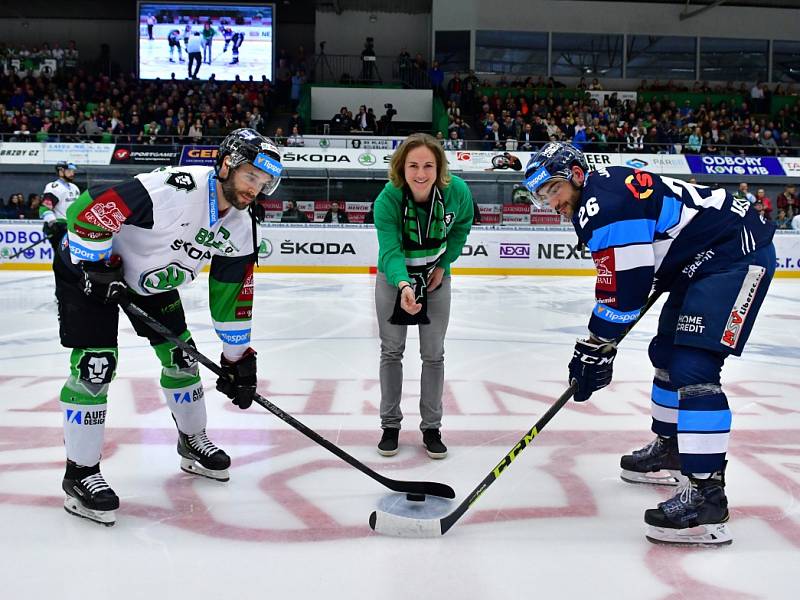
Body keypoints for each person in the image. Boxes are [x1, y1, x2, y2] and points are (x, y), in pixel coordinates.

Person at [523, 142, 776, 546]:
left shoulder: (602, 202)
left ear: (574, 174)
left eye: (552, 189)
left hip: (735, 255)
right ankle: (673, 448)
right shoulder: (596, 193)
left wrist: (596, 345)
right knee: (665, 353)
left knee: (695, 366)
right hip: (702, 259)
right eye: (540, 196)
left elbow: (625, 292)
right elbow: (634, 272)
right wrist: (600, 343)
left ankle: (707, 495)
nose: (550, 202)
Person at [54, 128, 283, 526]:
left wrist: (237, 360)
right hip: (91, 270)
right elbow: (86, 211)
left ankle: (191, 442)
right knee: (96, 367)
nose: (255, 191)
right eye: (251, 177)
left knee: (183, 359)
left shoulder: (243, 226)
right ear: (227, 164)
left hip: (153, 280)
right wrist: (96, 263)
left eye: (264, 184)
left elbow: (232, 299)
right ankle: (81, 473)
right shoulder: (174, 189)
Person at [373, 133, 474, 459]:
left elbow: (463, 226)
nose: (421, 173)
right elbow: (390, 251)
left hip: (436, 280)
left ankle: (432, 428)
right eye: (413, 165)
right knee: (392, 352)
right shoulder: (387, 200)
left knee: (433, 355)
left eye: (428, 165)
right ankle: (390, 426)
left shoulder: (456, 191)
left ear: (439, 167)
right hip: (394, 282)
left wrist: (444, 265)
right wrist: (404, 285)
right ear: (401, 167)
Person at [40, 161, 80, 250]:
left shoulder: (74, 188)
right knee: (61, 257)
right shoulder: (54, 188)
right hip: (59, 228)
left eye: (73, 171)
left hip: (71, 228)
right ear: (61, 172)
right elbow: (44, 209)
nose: (72, 173)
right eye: (69, 171)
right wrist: (53, 223)